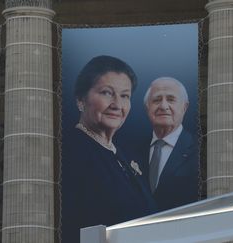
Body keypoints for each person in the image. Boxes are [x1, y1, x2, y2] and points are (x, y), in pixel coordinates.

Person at [62, 56, 156, 243]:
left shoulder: (124, 156)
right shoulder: (69, 153)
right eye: (107, 93)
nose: (117, 105)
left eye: (125, 96)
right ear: (81, 100)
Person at [139, 77, 198, 212]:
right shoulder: (131, 151)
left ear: (184, 107)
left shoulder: (201, 150)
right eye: (157, 100)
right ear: (147, 107)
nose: (163, 106)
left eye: (171, 99)